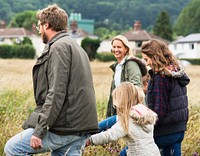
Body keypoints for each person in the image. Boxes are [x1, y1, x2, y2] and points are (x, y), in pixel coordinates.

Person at [4, 4, 98, 156]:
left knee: (13, 148)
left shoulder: (58, 47)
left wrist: (39, 131)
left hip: (65, 126)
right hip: (80, 127)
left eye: (39, 26)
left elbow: (56, 92)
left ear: (46, 25)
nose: (39, 30)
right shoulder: (76, 47)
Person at [141, 39, 190, 156]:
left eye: (147, 59)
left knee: (128, 152)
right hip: (179, 130)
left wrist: (143, 125)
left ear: (155, 57)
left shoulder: (160, 77)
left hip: (164, 131)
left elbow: (159, 111)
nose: (146, 64)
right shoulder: (176, 73)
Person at [86, 82, 161, 156]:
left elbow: (110, 135)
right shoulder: (144, 114)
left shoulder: (128, 120)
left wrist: (91, 140)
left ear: (121, 101)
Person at [105, 34, 147, 118]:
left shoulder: (131, 64)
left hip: (132, 111)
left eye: (119, 47)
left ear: (126, 49)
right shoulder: (117, 67)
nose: (116, 50)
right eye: (114, 47)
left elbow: (136, 87)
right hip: (119, 110)